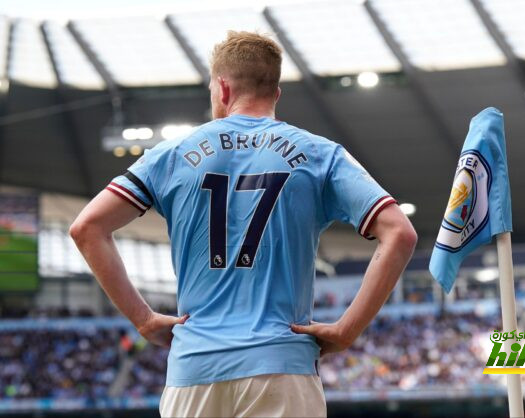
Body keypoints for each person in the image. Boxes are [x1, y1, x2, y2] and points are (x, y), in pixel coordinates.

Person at [70, 31, 417, 417]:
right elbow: (399, 233)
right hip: (283, 365)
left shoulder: (168, 156)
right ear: (276, 92)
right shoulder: (321, 155)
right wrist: (347, 329)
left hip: (195, 369)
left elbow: (87, 229)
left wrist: (144, 319)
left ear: (221, 87)